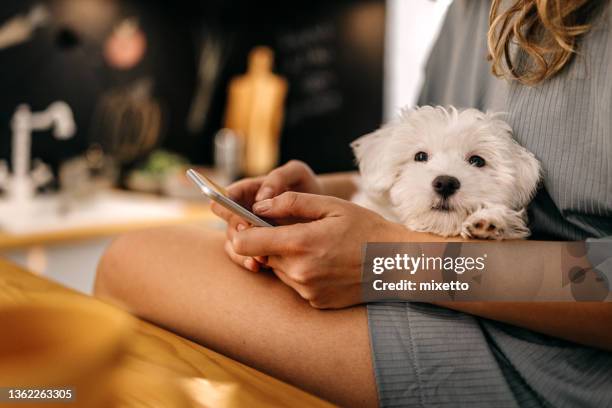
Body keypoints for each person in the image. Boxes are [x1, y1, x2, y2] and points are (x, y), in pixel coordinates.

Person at [94, 1, 612, 406]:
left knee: (129, 263)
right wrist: (323, 193)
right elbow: (416, 167)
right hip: (456, 307)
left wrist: (391, 263)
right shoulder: (468, 13)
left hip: (560, 361)